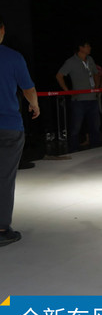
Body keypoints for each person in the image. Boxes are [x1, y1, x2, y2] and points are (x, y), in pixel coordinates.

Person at [0, 15, 40, 246]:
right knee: (4, 178)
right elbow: (28, 88)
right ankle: (2, 228)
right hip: (9, 127)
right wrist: (34, 105)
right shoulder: (13, 57)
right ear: (2, 30)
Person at [56, 40, 102, 152]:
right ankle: (74, 151)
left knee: (95, 127)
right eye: (87, 46)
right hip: (79, 100)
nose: (90, 48)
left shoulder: (90, 59)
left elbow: (96, 73)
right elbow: (59, 75)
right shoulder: (71, 61)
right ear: (81, 48)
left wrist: (96, 88)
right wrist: (68, 91)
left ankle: (96, 150)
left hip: (92, 98)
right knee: (75, 128)